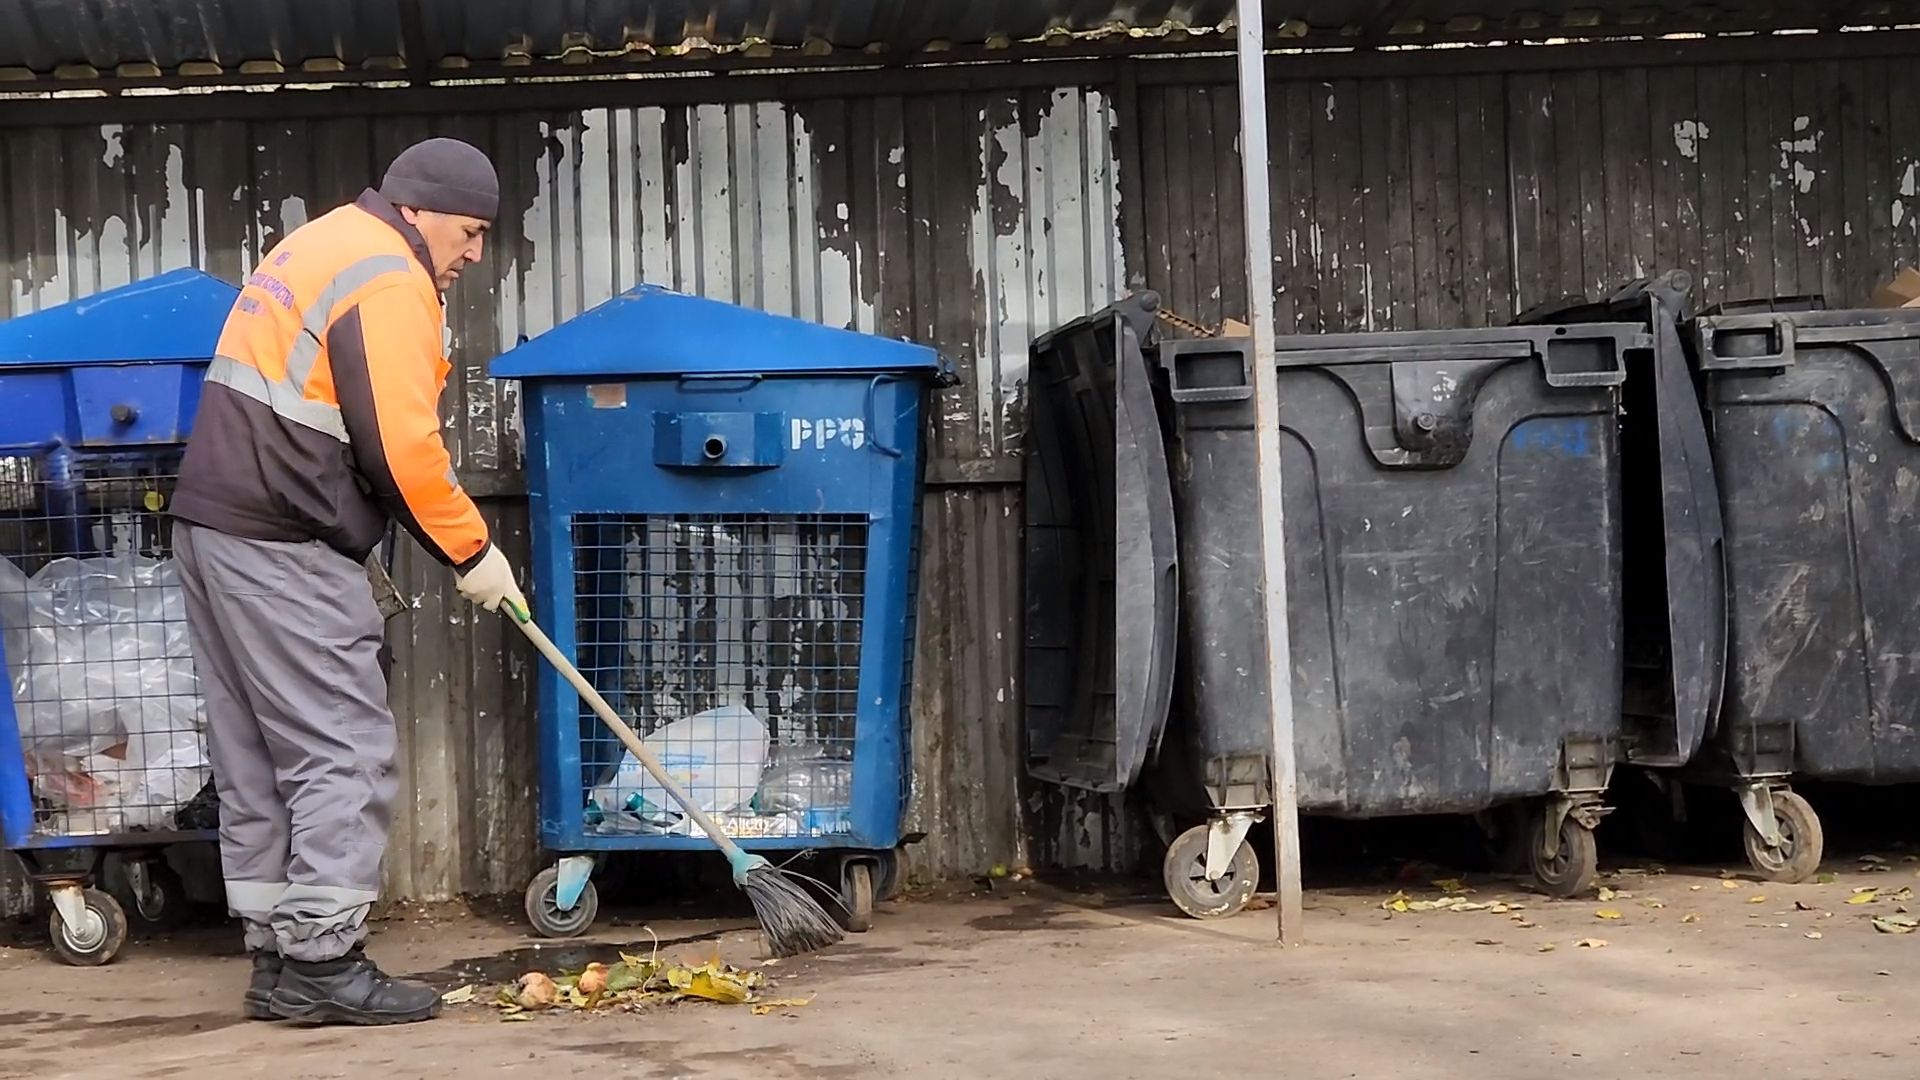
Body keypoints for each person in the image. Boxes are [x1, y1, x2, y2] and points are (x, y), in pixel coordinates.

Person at [169, 137, 525, 1026]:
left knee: (257, 756)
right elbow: (402, 448)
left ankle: (275, 959)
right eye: (470, 231)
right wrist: (473, 553)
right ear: (419, 209)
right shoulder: (388, 278)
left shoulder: (319, 241)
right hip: (284, 541)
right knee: (342, 750)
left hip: (212, 529)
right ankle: (323, 964)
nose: (474, 255)